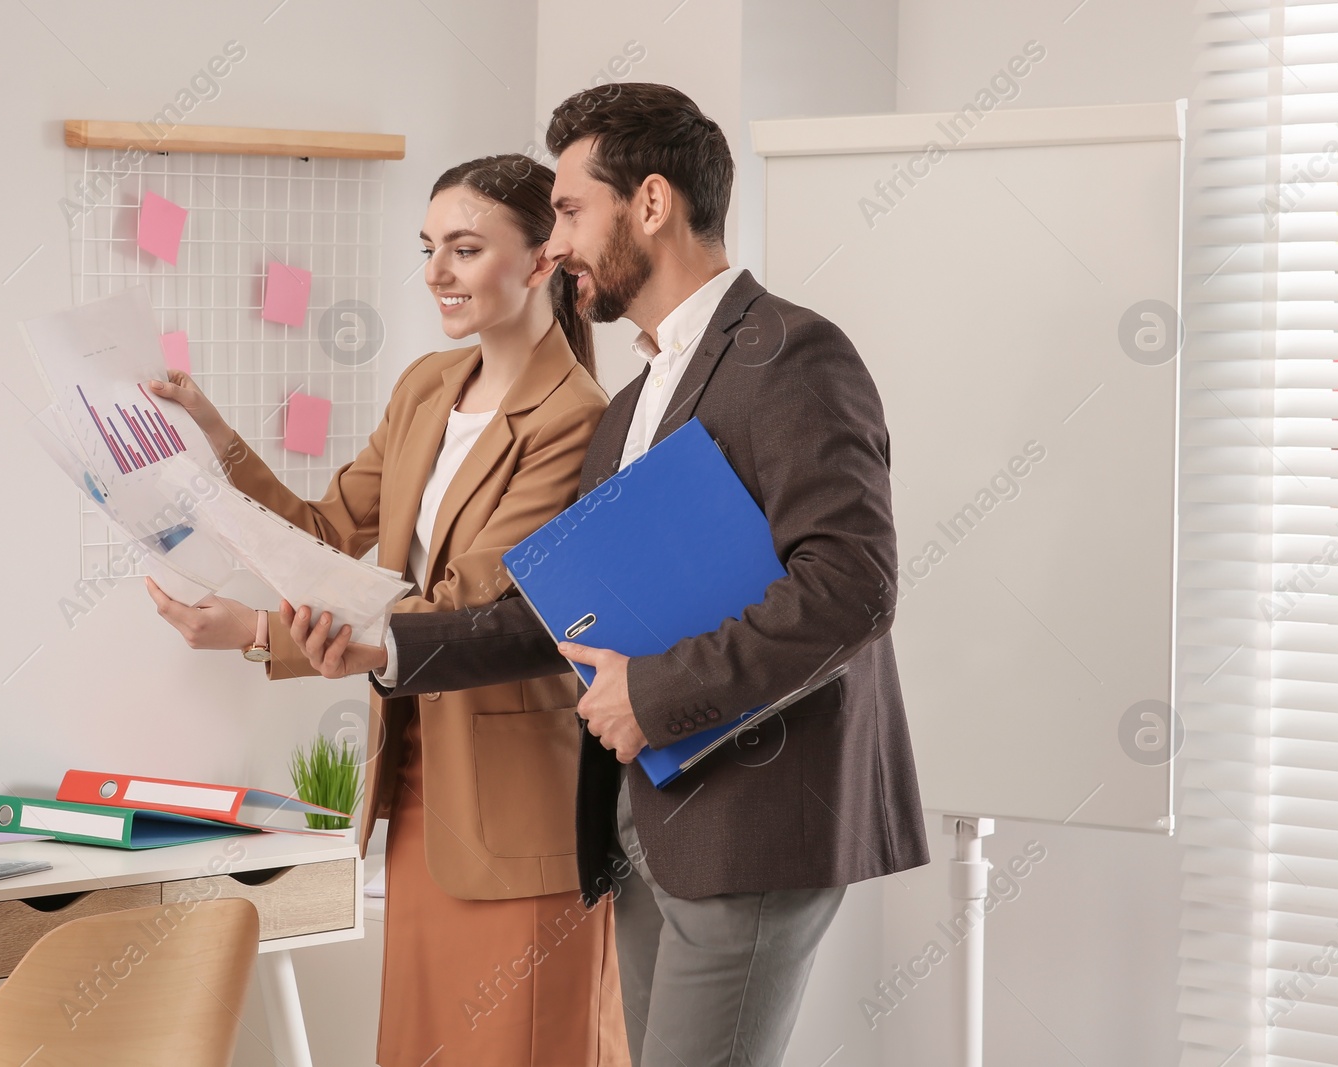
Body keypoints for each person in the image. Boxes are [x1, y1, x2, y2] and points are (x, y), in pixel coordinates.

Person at [277, 83, 932, 1067]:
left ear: (653, 204)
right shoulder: (631, 407)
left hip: (749, 826)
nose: (559, 243)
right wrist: (386, 644)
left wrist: (655, 692)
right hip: (646, 824)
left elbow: (851, 589)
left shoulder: (791, 353)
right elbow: (555, 613)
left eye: (573, 211)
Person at [145, 154, 627, 1067]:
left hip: (518, 824)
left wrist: (255, 632)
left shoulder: (577, 417)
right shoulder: (425, 389)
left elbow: (472, 606)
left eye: (466, 248)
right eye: (430, 247)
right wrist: (213, 436)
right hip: (418, 795)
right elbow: (326, 534)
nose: (437, 272)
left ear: (539, 263)